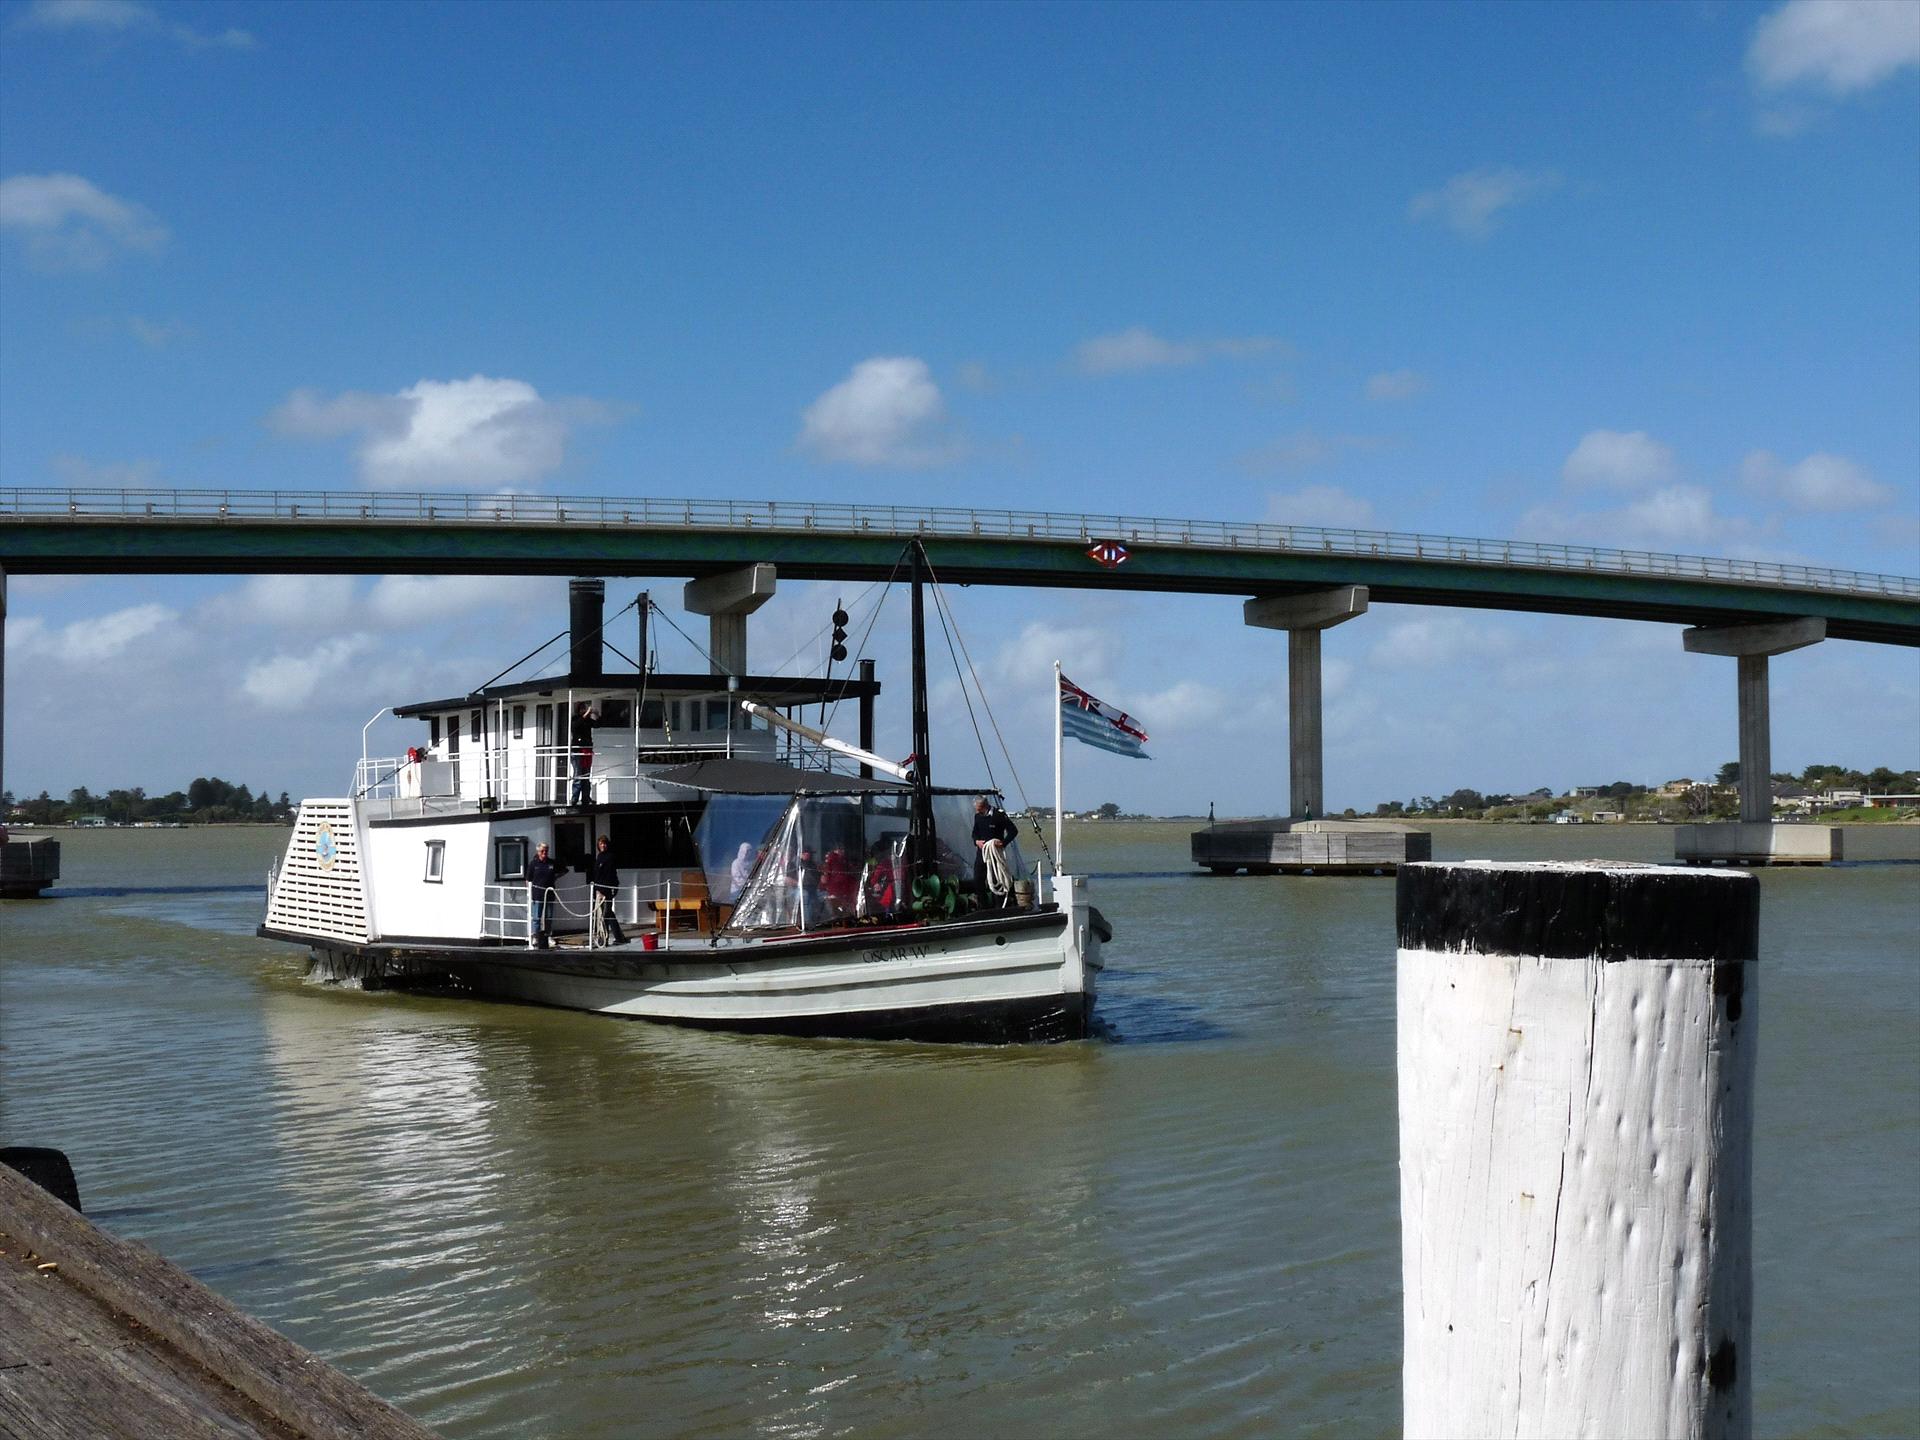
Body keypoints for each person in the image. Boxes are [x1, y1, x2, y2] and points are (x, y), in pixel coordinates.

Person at [972, 797, 1019, 904]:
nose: (977, 811)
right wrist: (976, 842)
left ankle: (999, 906)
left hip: (995, 854)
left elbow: (1013, 831)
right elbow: (974, 833)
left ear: (984, 806)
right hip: (982, 853)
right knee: (978, 879)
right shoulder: (977, 816)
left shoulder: (999, 815)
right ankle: (983, 906)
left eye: (979, 808)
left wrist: (1003, 843)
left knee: (996, 880)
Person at [588, 833, 627, 946]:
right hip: (599, 889)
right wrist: (596, 888)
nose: (603, 846)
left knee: (607, 913)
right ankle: (612, 937)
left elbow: (610, 874)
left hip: (607, 889)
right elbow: (597, 875)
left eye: (604, 843)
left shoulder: (610, 857)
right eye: (601, 844)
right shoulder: (599, 857)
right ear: (598, 845)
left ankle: (609, 937)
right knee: (605, 913)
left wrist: (612, 888)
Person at [527, 842, 563, 948]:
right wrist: (530, 892)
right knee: (536, 917)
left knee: (548, 917)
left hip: (550, 894)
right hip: (538, 894)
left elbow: (564, 870)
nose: (544, 853)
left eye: (546, 851)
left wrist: (555, 878)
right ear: (538, 852)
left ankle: (548, 936)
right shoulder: (533, 864)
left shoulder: (552, 863)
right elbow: (528, 879)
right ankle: (536, 937)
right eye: (542, 851)